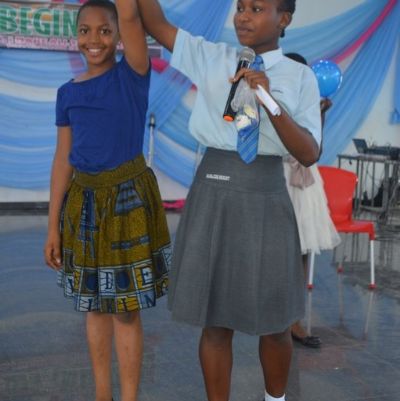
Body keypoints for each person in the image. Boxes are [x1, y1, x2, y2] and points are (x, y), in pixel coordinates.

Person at [136, 1, 321, 400]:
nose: (242, 16)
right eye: (239, 7)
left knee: (275, 321)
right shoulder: (213, 56)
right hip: (214, 191)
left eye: (256, 8)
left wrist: (269, 100)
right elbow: (155, 22)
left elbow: (308, 152)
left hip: (267, 195)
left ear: (284, 19)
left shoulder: (300, 76)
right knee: (215, 320)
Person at [43, 1, 171, 400]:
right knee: (94, 305)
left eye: (104, 30)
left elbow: (131, 16)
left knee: (125, 308)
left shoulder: (132, 74)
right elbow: (62, 160)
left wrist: (126, 16)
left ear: (117, 36)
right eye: (85, 30)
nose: (94, 39)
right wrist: (52, 227)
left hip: (127, 202)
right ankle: (103, 394)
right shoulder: (67, 93)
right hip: (83, 205)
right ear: (75, 36)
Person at [284, 53, 341, 348]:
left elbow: (316, 148)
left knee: (304, 249)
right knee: (282, 250)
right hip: (281, 177)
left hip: (305, 181)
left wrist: (321, 115)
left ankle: (294, 320)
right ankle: (281, 318)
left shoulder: (308, 103)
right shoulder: (274, 99)